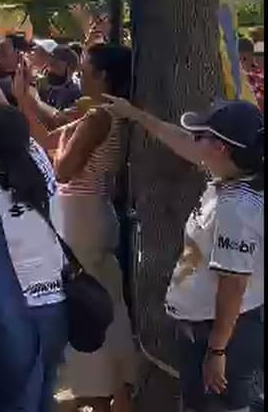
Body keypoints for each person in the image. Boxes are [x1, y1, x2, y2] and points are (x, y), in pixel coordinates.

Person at [100, 97, 263, 412]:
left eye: (201, 135)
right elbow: (179, 139)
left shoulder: (237, 209)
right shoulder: (231, 177)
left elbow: (234, 284)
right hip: (212, 329)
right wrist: (136, 114)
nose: (193, 140)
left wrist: (217, 351)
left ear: (221, 149)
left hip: (222, 333)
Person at [17, 44, 136, 411]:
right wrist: (30, 98)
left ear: (101, 75)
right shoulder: (106, 111)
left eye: (85, 67)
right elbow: (56, 122)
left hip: (81, 215)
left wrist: (44, 143)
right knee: (108, 304)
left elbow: (63, 167)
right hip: (92, 214)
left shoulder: (99, 115)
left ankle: (101, 392)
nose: (78, 71)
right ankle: (122, 387)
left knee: (88, 305)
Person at [0, 39, 67, 412]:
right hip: (56, 308)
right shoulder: (39, 163)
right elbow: (0, 112)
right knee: (44, 397)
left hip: (14, 314)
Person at [37, 44, 82, 112]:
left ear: (70, 68)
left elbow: (59, 119)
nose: (50, 70)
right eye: (49, 65)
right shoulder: (46, 88)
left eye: (55, 65)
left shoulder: (74, 93)